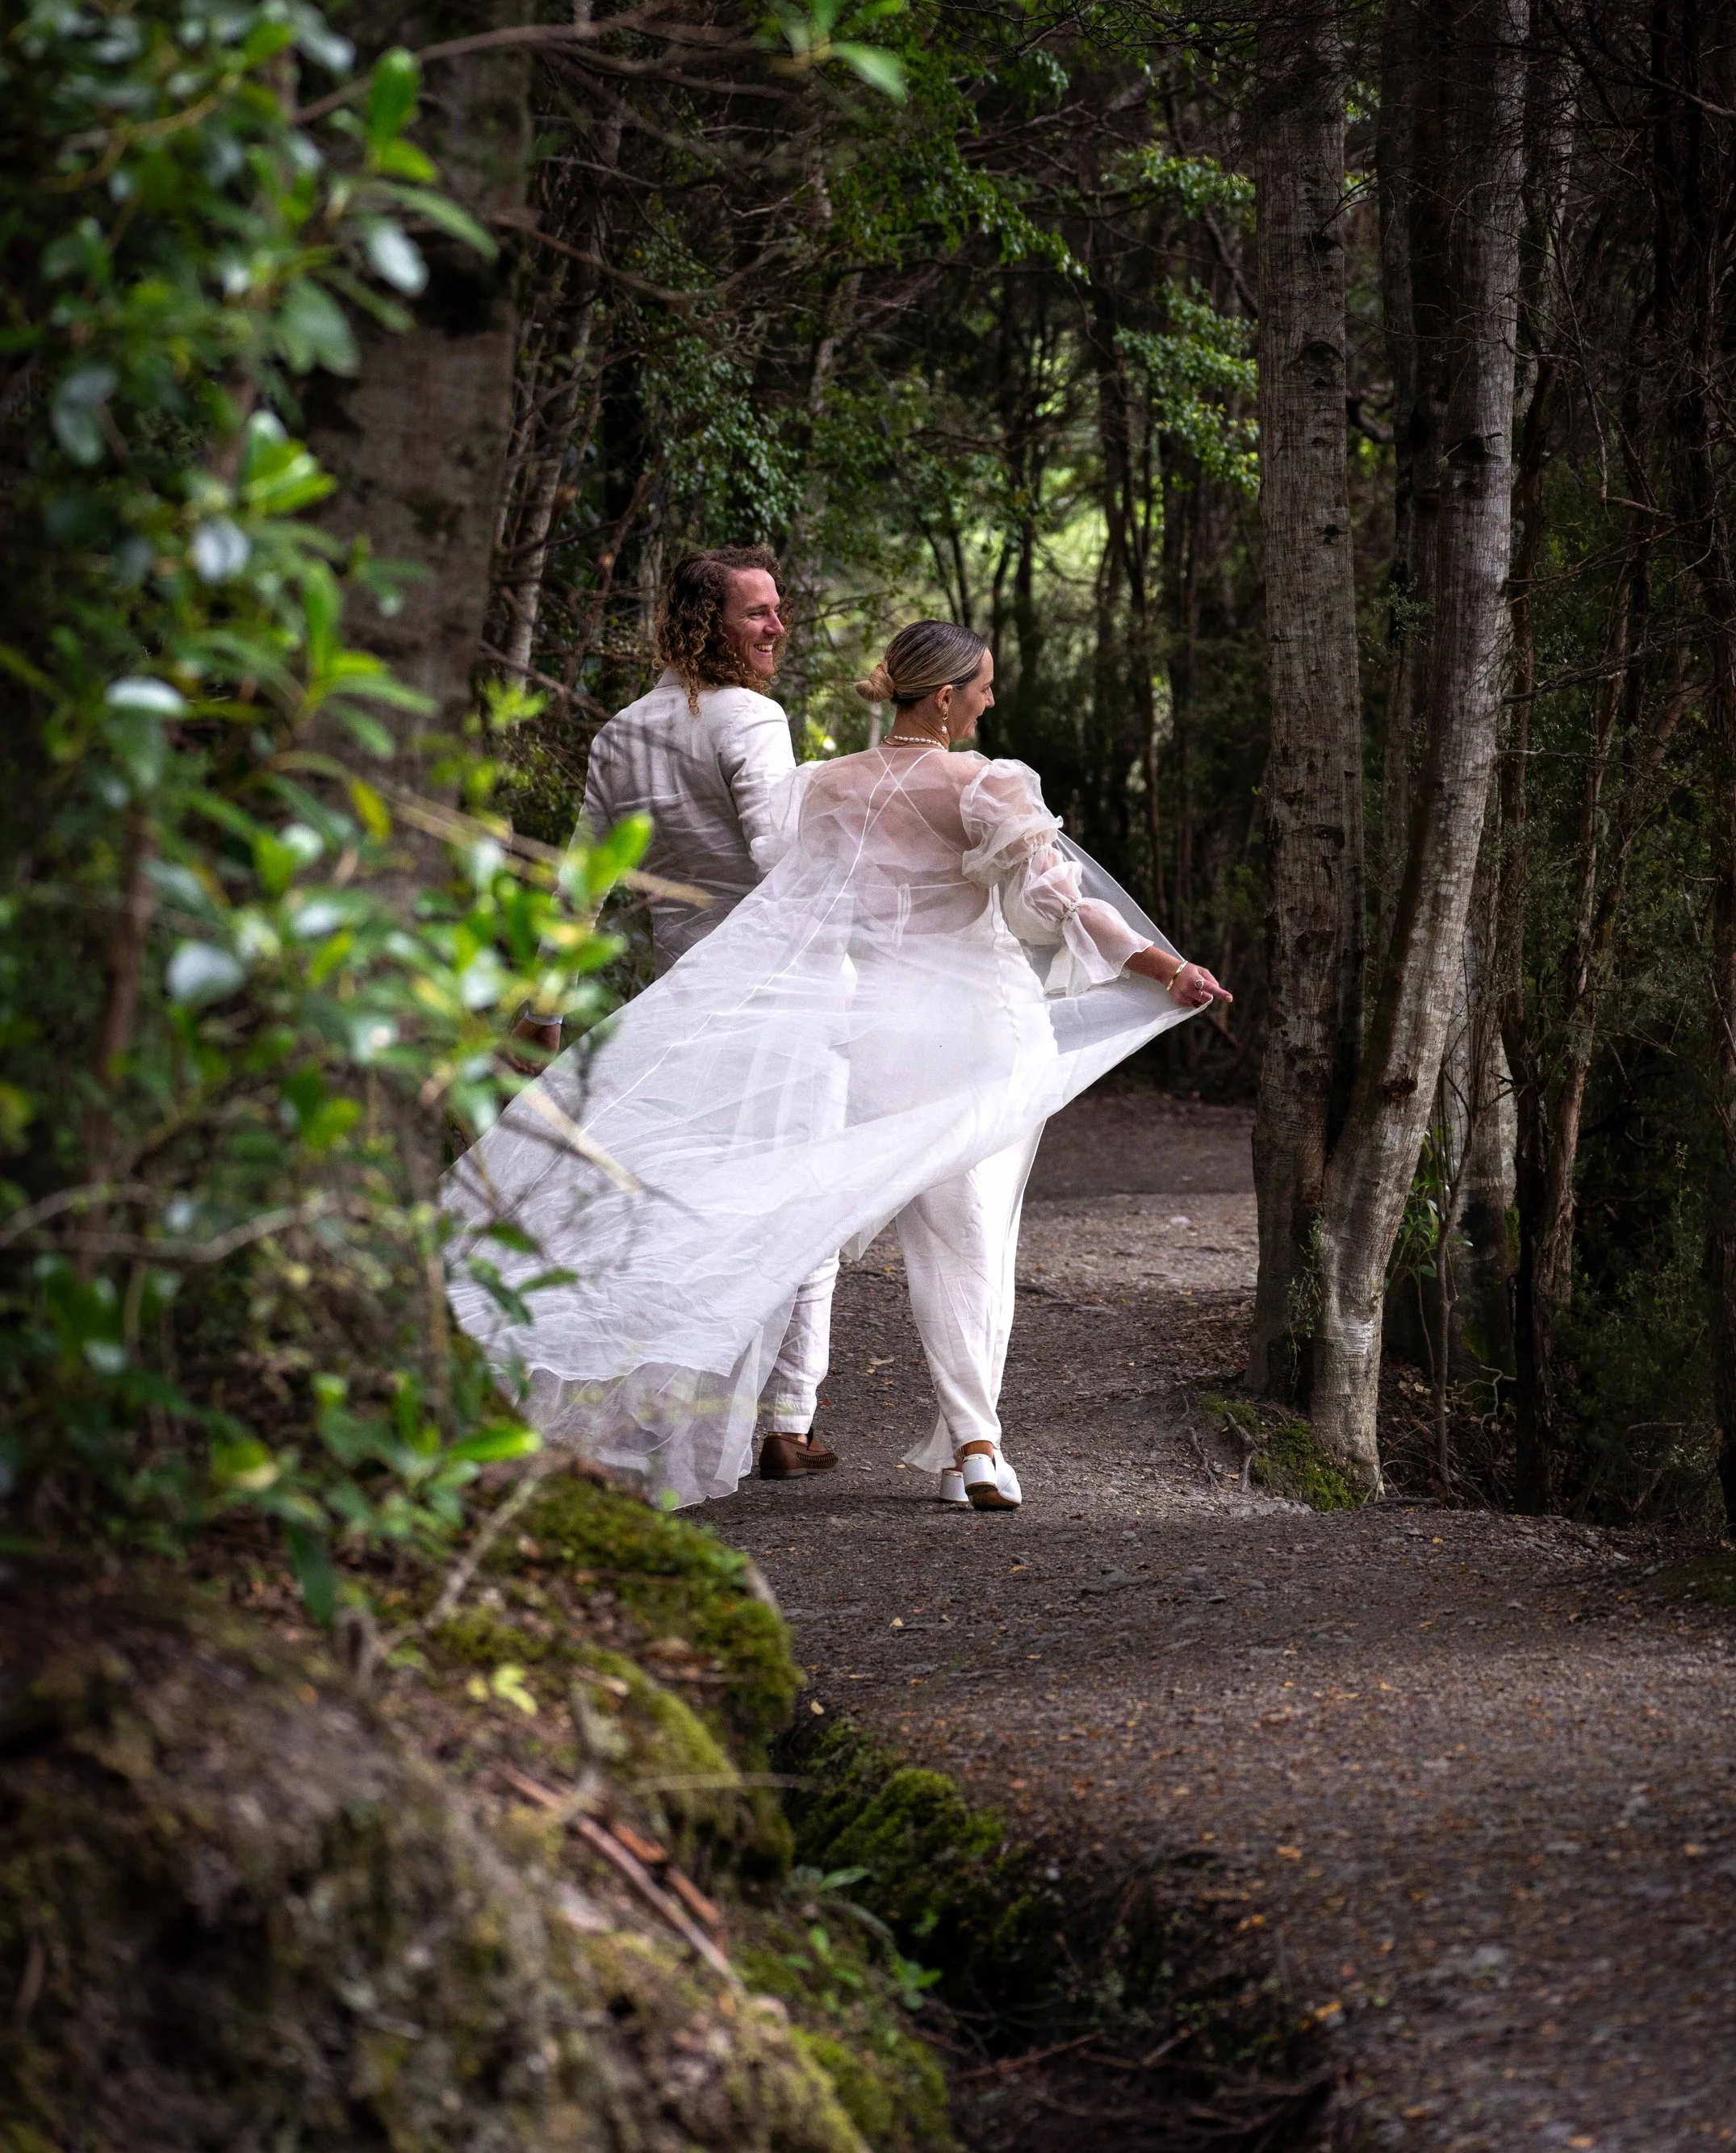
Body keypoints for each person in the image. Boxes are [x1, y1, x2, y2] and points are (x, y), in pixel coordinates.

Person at [446, 620, 1231, 1511]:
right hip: (981, 1031)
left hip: (869, 1034)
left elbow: (796, 916)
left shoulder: (820, 789)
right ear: (943, 697)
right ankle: (973, 1446)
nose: (989, 700)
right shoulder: (984, 787)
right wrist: (1167, 968)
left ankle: (819, 1412)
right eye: (981, 686)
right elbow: (1062, 906)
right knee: (969, 1235)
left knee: (832, 1213)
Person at [521, 543, 840, 1482]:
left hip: (675, 1006)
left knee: (685, 1205)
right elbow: (781, 860)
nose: (777, 626)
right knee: (806, 1205)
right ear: (708, 624)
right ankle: (783, 1418)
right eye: (757, 613)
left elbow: (583, 877)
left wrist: (545, 1005)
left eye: (777, 610)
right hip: (774, 1002)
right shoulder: (752, 718)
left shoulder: (622, 731)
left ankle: (674, 1411)